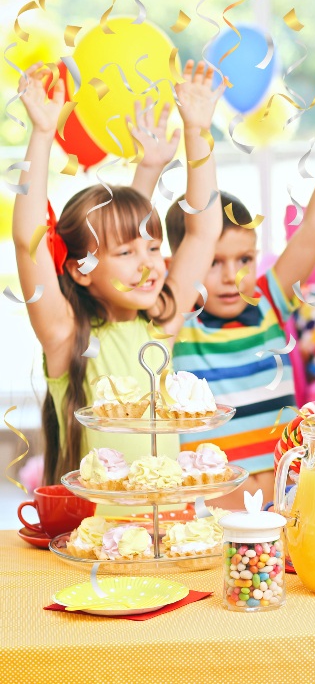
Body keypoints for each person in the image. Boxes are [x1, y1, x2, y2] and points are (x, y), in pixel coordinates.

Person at [13, 61, 224, 485]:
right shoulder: (65, 334)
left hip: (163, 531)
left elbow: (202, 232)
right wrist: (41, 135)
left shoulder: (160, 322)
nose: (149, 264)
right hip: (90, 537)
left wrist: (197, 133)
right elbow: (29, 240)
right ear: (81, 270)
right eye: (128, 252)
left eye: (153, 247)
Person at [165, 132, 315, 505]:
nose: (232, 276)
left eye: (244, 259)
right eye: (213, 262)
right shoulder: (176, 325)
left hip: (290, 502)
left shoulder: (269, 303)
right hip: (211, 515)